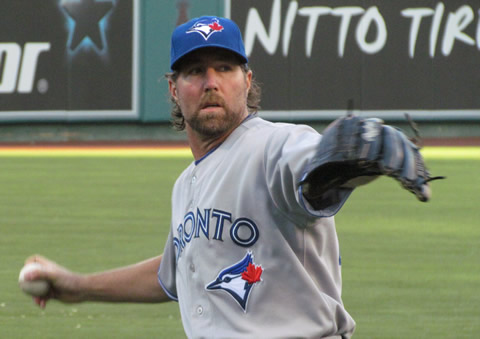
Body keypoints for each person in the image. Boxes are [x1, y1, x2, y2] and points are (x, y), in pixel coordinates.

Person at [23, 16, 434, 338]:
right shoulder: (185, 185)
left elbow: (312, 173)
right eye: (195, 71)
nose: (211, 82)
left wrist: (341, 164)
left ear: (247, 80)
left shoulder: (274, 146)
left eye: (224, 67)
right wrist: (77, 286)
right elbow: (172, 274)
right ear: (173, 88)